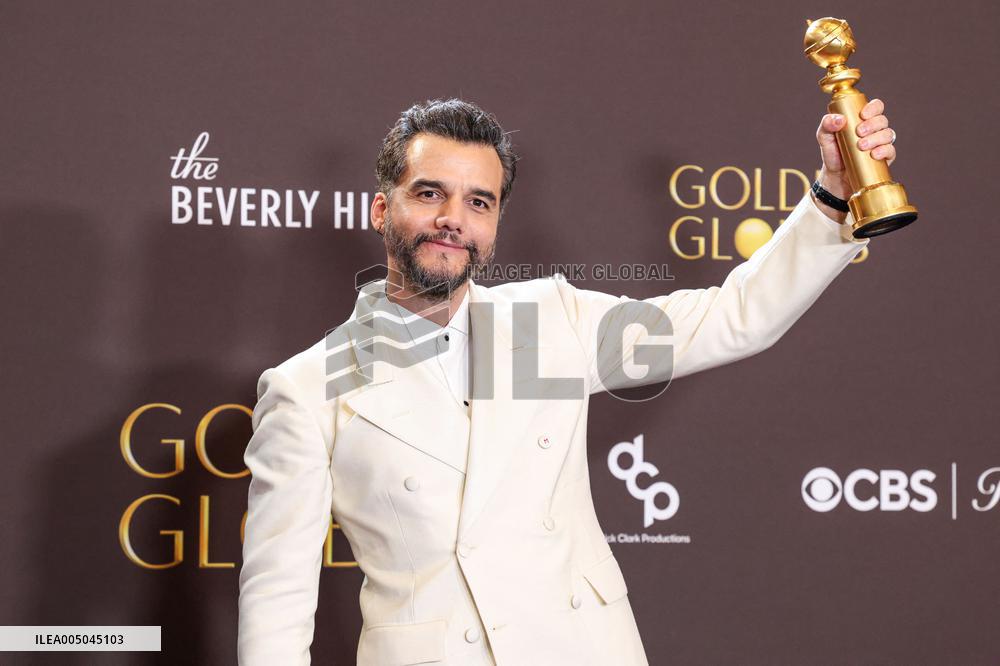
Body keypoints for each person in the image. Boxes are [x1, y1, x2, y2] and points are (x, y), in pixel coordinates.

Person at [237, 98, 899, 665]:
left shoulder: (551, 320)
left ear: (495, 223)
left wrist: (834, 195)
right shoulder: (309, 386)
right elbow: (278, 599)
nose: (454, 220)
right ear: (383, 210)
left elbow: (734, 318)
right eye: (429, 193)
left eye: (479, 202)